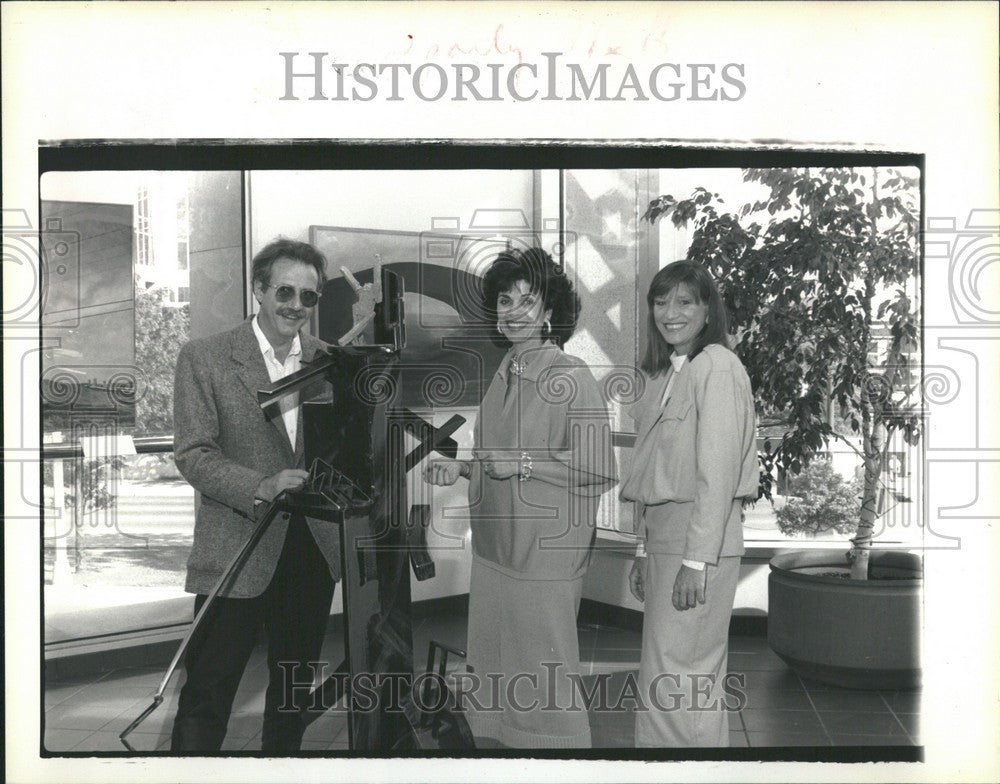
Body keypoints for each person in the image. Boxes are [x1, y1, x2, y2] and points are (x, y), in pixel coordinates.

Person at [424, 247, 616, 748]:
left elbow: (599, 470)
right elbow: (498, 458)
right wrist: (462, 465)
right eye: (504, 300)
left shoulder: (572, 377)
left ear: (550, 311)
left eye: (526, 301)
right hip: (495, 553)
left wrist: (524, 464)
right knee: (496, 668)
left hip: (543, 559)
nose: (511, 311)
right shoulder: (505, 370)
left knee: (544, 681)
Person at [170, 238, 342, 752]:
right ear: (259, 289)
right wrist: (259, 485)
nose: (295, 306)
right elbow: (193, 453)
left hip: (311, 548)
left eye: (308, 297)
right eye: (284, 291)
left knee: (291, 694)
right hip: (237, 546)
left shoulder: (329, 361)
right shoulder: (205, 357)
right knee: (208, 690)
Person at [618, 260, 758, 747]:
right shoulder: (670, 374)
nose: (669, 312)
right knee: (668, 675)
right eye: (661, 301)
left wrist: (696, 560)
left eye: (684, 301)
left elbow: (715, 476)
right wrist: (641, 549)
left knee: (682, 677)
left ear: (707, 310)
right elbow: (653, 470)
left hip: (697, 543)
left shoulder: (717, 366)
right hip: (666, 538)